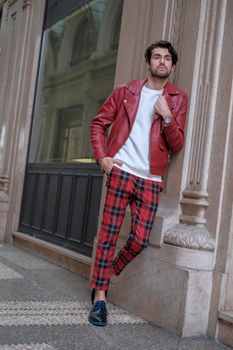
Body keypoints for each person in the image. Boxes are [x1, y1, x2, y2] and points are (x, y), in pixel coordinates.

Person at [88, 40, 188, 326]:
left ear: (172, 65)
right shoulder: (126, 91)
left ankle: (104, 276)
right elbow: (98, 124)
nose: (161, 62)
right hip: (121, 171)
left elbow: (177, 143)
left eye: (167, 58)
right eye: (156, 57)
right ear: (148, 63)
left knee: (141, 239)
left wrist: (167, 116)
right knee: (108, 236)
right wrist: (103, 158)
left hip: (150, 179)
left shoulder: (178, 99)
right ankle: (100, 300)